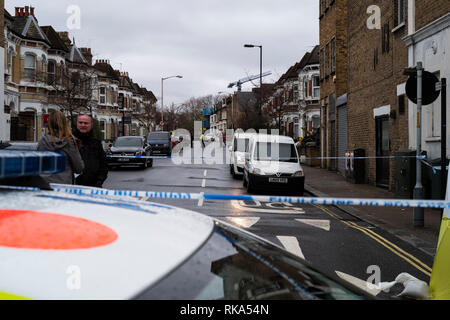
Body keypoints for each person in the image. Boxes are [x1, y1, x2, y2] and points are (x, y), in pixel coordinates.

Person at [37, 111, 84, 185]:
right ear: (65, 123)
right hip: (64, 186)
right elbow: (79, 168)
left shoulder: (43, 141)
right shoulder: (69, 141)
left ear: (49, 124)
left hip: (45, 184)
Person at [73, 114, 108, 188]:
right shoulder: (69, 142)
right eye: (80, 122)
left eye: (86, 123)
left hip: (94, 186)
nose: (83, 125)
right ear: (76, 124)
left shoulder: (96, 143)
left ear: (91, 125)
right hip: (73, 186)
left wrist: (100, 180)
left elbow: (103, 164)